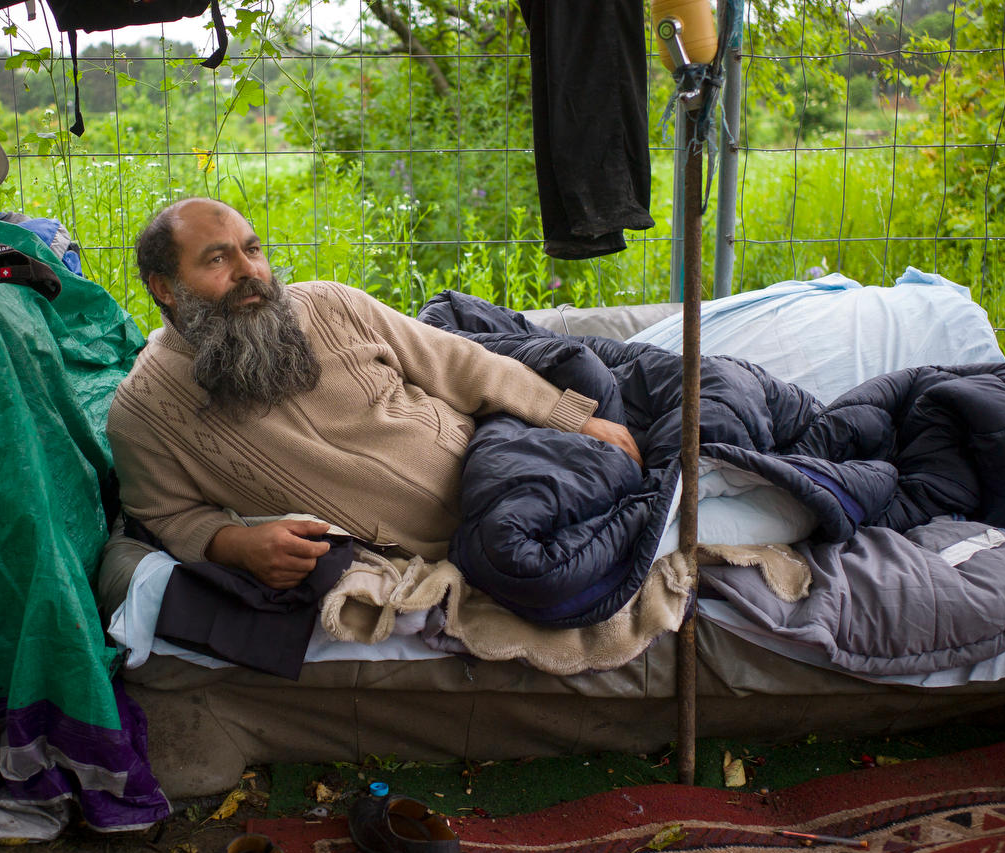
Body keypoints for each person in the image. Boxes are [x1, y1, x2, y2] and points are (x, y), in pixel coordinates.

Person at [106, 197, 642, 589]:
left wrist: (569, 416)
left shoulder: (329, 305)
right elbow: (165, 515)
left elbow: (458, 362)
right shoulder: (143, 411)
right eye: (218, 260)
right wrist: (235, 545)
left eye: (253, 250)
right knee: (543, 576)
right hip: (453, 550)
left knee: (626, 393)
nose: (251, 273)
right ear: (164, 288)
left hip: (498, 460)